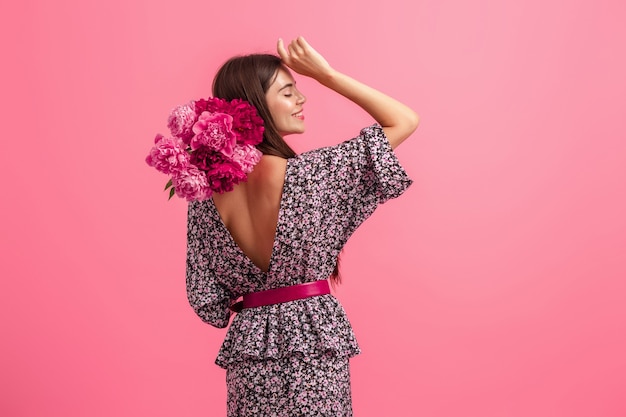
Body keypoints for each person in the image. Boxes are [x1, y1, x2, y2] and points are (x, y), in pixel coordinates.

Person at [185, 36, 419, 416]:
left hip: (250, 354)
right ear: (256, 106)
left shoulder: (205, 200)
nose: (301, 100)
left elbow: (208, 302)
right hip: (314, 341)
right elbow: (404, 120)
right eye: (289, 91)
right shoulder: (315, 175)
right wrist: (324, 75)